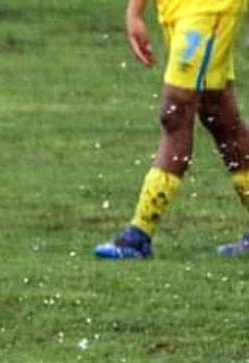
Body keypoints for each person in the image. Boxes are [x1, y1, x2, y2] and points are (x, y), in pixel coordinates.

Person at [95, 0, 249, 259]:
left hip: (210, 8)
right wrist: (134, 12)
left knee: (175, 112)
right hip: (175, 8)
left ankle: (139, 234)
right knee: (220, 117)